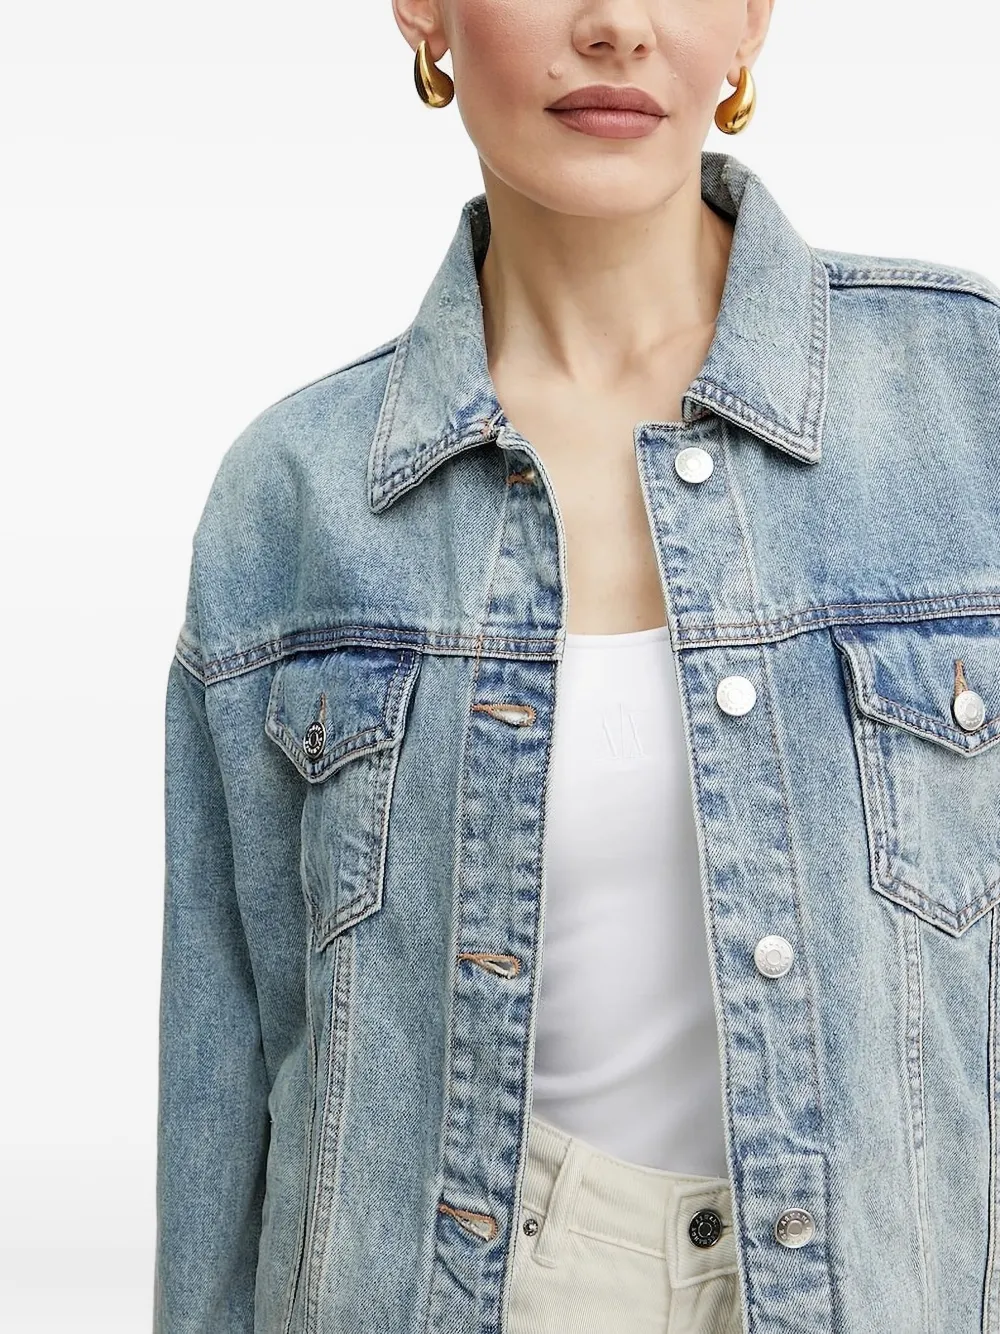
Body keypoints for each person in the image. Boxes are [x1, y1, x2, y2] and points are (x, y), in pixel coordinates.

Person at [155, 3, 1000, 1332]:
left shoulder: (966, 401)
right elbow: (225, 1096)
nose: (614, 25)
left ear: (752, 19)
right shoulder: (295, 497)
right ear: (425, 13)